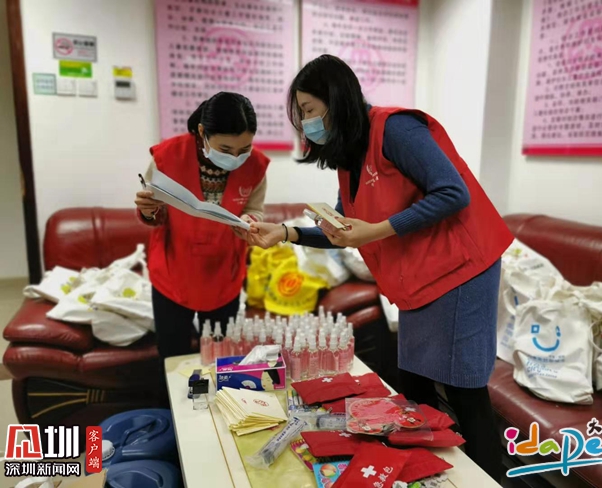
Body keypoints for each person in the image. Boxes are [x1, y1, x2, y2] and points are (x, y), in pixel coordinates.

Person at [248, 55, 513, 482]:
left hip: (462, 269)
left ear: (337, 99)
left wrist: (377, 230)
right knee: (414, 386)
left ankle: (488, 477)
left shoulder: (396, 129)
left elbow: (453, 192)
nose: (307, 123)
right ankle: (434, 474)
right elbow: (342, 230)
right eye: (302, 115)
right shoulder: (349, 152)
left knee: (464, 390)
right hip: (420, 278)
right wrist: (285, 232)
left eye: (310, 110)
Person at [135, 92, 270, 360]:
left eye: (244, 149)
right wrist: (148, 210)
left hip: (224, 274)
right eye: (225, 150)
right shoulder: (168, 157)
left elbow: (254, 209)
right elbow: (155, 210)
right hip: (174, 272)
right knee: (173, 358)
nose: (236, 157)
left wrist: (250, 222)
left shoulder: (255, 166)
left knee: (221, 358)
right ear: (201, 132)